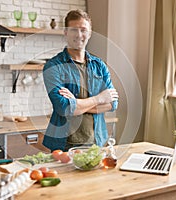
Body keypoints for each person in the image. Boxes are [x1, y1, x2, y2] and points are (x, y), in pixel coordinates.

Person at [42, 9, 119, 151]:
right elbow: (64, 107)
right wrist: (99, 98)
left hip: (97, 142)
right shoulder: (53, 66)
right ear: (65, 32)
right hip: (64, 146)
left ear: (89, 33)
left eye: (83, 30)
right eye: (73, 30)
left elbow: (113, 104)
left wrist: (76, 105)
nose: (79, 35)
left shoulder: (99, 65)